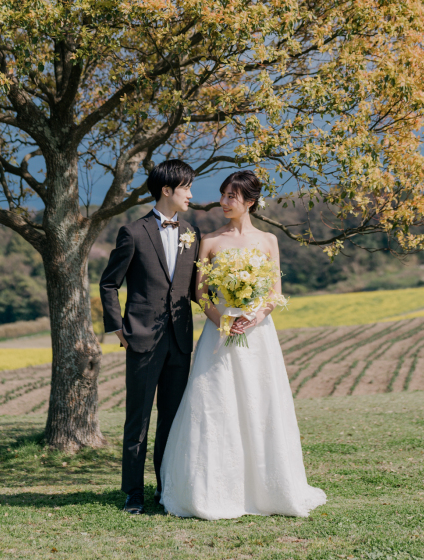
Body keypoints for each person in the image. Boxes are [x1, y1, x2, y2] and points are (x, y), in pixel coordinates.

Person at [159, 170, 326, 519]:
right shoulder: (209, 240)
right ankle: (211, 488)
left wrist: (256, 317)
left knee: (261, 404)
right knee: (214, 404)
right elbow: (200, 292)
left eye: (230, 197)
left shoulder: (268, 240)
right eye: (222, 196)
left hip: (259, 333)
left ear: (249, 201)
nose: (223, 202)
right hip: (219, 333)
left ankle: (267, 488)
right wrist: (222, 320)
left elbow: (275, 293)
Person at [99, 159, 200, 515]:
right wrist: (118, 329)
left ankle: (165, 488)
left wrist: (233, 307)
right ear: (167, 190)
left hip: (180, 340)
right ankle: (133, 493)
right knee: (138, 420)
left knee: (172, 420)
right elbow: (109, 282)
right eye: (186, 187)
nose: (191, 193)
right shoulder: (133, 232)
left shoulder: (192, 233)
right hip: (140, 338)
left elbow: (194, 290)